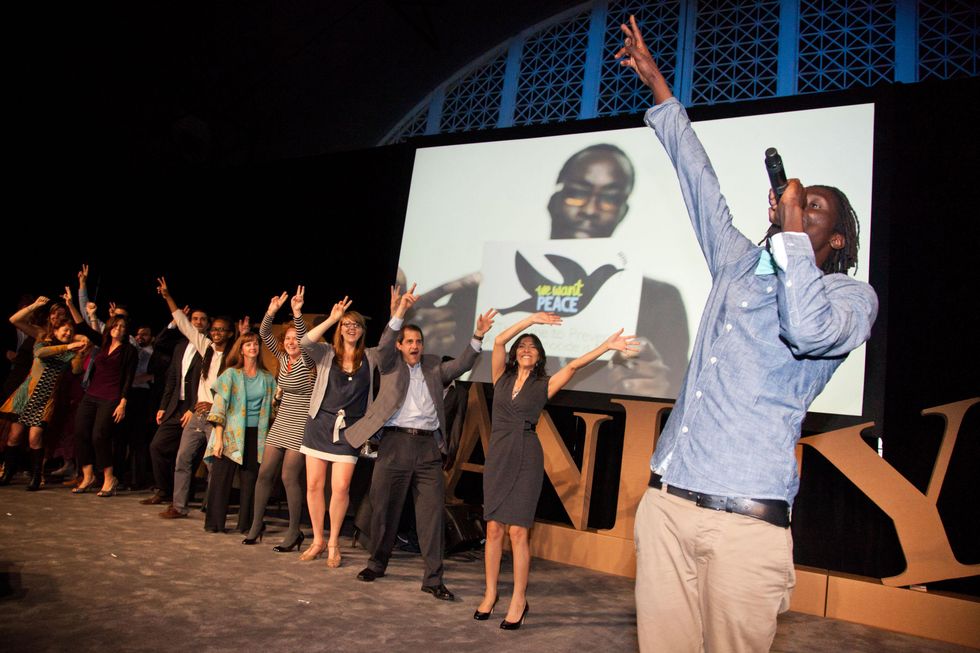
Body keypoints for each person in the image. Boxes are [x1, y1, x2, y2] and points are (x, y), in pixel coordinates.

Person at [616, 16, 878, 652]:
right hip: (669, 506)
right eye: (794, 203)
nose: (797, 208)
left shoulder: (851, 296)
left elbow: (809, 330)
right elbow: (698, 182)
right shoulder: (737, 260)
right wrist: (659, 87)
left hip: (746, 525)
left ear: (837, 239)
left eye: (813, 209)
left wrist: (789, 237)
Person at [406, 142, 690, 398]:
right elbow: (447, 373)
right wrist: (423, 348)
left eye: (609, 198)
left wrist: (658, 389)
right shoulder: (486, 290)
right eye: (578, 193)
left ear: (622, 211)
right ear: (554, 201)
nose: (590, 209)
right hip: (489, 421)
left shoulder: (659, 299)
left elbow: (675, 383)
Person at [477, 312, 638, 629]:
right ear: (515, 353)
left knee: (518, 532)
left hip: (526, 455)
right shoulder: (501, 378)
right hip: (498, 455)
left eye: (532, 347)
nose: (526, 348)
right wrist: (531, 320)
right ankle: (490, 593)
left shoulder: (543, 385)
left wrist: (606, 345)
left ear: (539, 357)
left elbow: (576, 365)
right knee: (494, 528)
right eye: (522, 345)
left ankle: (519, 600)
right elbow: (497, 340)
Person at [347, 284, 494, 600]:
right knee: (384, 509)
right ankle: (377, 563)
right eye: (409, 341)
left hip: (428, 449)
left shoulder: (432, 366)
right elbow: (385, 341)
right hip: (394, 445)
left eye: (419, 341)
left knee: (431, 516)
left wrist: (477, 336)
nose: (415, 345)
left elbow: (462, 365)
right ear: (401, 346)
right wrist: (400, 310)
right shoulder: (389, 363)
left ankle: (433, 578)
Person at [154, 278, 237, 519]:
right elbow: (183, 323)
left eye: (222, 330)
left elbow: (233, 389)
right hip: (198, 416)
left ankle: (212, 506)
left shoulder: (233, 358)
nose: (217, 333)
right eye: (215, 329)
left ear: (230, 333)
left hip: (217, 417)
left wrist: (214, 404)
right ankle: (179, 506)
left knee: (213, 465)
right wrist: (168, 297)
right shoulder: (206, 347)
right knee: (183, 459)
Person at [242, 287, 314, 551]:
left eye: (296, 339)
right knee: (265, 473)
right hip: (282, 421)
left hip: (301, 423)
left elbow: (305, 341)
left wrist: (297, 313)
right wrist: (271, 311)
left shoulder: (307, 359)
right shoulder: (283, 359)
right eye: (288, 339)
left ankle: (294, 531)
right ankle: (256, 525)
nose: (292, 342)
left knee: (288, 477)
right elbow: (263, 334)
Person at [0, 298, 88, 489]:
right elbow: (15, 321)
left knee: (34, 438)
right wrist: (34, 306)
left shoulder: (71, 349)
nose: (67, 331)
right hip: (26, 395)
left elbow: (75, 371)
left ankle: (36, 477)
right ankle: (7, 473)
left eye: (69, 329)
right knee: (14, 436)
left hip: (45, 398)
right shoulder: (43, 337)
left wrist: (81, 351)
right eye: (63, 328)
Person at [202, 332, 276, 533]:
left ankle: (247, 525)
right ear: (241, 349)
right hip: (230, 434)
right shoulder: (230, 374)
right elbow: (218, 409)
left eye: (256, 344)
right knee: (221, 479)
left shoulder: (267, 377)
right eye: (248, 344)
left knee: (250, 481)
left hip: (256, 435)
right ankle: (214, 524)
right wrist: (218, 439)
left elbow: (274, 407)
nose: (253, 347)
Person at [71, 315, 138, 496]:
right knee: (80, 432)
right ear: (110, 327)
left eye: (123, 326)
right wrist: (70, 303)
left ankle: (109, 478)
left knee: (99, 436)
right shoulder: (103, 342)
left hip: (111, 397)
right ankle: (88, 476)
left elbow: (129, 379)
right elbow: (82, 327)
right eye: (116, 325)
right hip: (91, 394)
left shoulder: (129, 351)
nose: (119, 328)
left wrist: (123, 402)